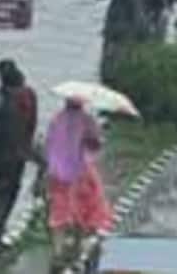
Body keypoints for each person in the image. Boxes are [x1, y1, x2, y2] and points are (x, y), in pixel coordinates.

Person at [41, 95, 114, 271]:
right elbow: (95, 144)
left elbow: (48, 145)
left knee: (59, 212)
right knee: (83, 209)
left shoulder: (56, 119)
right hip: (80, 171)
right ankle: (78, 249)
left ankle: (57, 253)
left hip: (57, 174)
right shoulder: (86, 120)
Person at [0, 60, 39, 259]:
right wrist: (27, 147)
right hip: (17, 156)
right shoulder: (27, 96)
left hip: (1, 157)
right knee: (9, 197)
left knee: (2, 196)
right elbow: (31, 124)